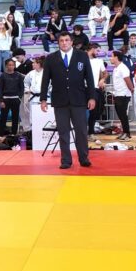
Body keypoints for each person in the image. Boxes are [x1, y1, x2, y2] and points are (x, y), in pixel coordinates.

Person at [40, 31, 96, 169]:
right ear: (58, 43)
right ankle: (66, 160)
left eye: (66, 40)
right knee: (63, 132)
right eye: (61, 40)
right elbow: (45, 80)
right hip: (60, 101)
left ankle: (84, 158)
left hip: (79, 99)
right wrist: (43, 99)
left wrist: (92, 97)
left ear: (71, 42)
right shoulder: (51, 58)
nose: (64, 43)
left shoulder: (82, 55)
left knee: (81, 131)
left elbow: (89, 77)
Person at [110, 50, 133, 141]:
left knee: (123, 115)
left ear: (116, 57)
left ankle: (127, 133)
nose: (110, 58)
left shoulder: (123, 67)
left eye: (112, 56)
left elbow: (127, 80)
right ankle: (124, 132)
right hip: (118, 94)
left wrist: (132, 89)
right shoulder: (116, 68)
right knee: (120, 114)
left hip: (123, 94)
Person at [86, 43, 107, 141]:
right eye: (97, 50)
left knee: (94, 112)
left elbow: (105, 73)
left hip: (94, 88)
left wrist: (102, 79)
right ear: (92, 49)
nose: (98, 53)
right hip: (82, 89)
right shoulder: (81, 59)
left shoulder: (99, 61)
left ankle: (90, 132)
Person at [0, 59, 24, 135]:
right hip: (5, 99)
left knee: (15, 118)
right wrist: (1, 100)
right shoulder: (3, 76)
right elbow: (0, 89)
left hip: (15, 99)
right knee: (3, 118)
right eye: (9, 65)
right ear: (6, 66)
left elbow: (22, 87)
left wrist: (19, 97)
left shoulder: (18, 75)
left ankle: (14, 135)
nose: (11, 66)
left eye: (13, 65)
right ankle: (1, 135)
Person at [20, 56, 45, 132]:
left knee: (43, 115)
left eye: (34, 63)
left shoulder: (46, 72)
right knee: (32, 115)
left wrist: (49, 91)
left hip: (44, 97)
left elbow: (52, 84)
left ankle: (43, 131)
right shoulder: (31, 73)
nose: (32, 64)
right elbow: (26, 82)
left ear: (39, 64)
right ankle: (32, 132)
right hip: (33, 97)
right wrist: (27, 90)